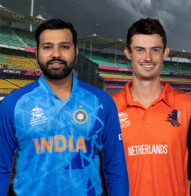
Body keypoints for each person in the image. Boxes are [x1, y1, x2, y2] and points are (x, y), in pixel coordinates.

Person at [0, 19, 129, 196]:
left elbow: (116, 167)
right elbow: (1, 168)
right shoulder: (13, 104)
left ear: (75, 53)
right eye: (47, 47)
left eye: (64, 46)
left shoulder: (101, 102)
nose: (56, 54)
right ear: (36, 53)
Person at [112, 18, 191, 196]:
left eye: (155, 50)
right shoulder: (109, 109)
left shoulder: (188, 108)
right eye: (140, 50)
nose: (148, 58)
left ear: (165, 53)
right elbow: (98, 177)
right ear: (128, 53)